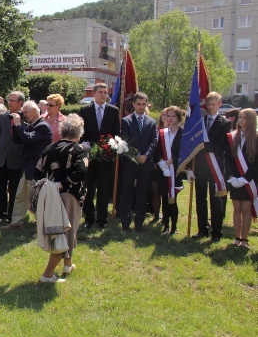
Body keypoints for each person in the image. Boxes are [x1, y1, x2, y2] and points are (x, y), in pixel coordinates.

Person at [34, 114, 88, 283]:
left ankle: (68, 264)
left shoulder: (49, 148)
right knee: (63, 234)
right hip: (69, 195)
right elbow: (81, 171)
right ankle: (48, 274)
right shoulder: (79, 149)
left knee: (61, 231)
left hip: (48, 196)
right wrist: (62, 184)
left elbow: (37, 172)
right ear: (78, 133)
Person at [78, 82, 120, 230]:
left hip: (105, 157)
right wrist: (85, 145)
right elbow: (80, 132)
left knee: (103, 189)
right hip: (89, 156)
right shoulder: (85, 110)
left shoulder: (113, 111)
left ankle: (102, 220)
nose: (103, 94)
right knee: (88, 189)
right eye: (100, 92)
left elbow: (116, 133)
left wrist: (111, 146)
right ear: (94, 94)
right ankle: (89, 218)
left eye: (105, 92)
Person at [6, 101, 53, 230]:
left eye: (25, 112)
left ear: (34, 111)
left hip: (37, 169)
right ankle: (16, 222)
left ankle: (42, 228)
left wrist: (18, 125)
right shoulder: (31, 125)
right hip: (27, 168)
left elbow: (29, 139)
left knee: (37, 199)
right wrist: (16, 126)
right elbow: (17, 140)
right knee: (20, 195)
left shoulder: (42, 126)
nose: (24, 115)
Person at [192, 92, 231, 242]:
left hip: (216, 167)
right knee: (200, 198)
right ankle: (202, 229)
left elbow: (220, 145)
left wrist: (202, 145)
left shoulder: (224, 123)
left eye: (213, 104)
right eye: (208, 104)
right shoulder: (200, 121)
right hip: (201, 166)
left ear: (219, 104)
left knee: (216, 200)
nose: (210, 107)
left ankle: (216, 232)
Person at [118, 92, 158, 233]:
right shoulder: (126, 121)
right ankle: (125, 224)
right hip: (130, 162)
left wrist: (145, 155)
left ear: (147, 104)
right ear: (133, 104)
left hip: (145, 163)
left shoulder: (152, 122)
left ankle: (139, 224)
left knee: (142, 194)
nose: (141, 107)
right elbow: (125, 140)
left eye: (144, 104)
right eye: (138, 104)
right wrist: (137, 155)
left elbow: (154, 141)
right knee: (126, 193)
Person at [0, 91, 25, 223]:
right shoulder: (2, 117)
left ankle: (12, 215)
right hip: (1, 158)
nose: (9, 102)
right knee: (0, 188)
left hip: (17, 159)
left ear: (20, 102)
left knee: (15, 189)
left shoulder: (25, 116)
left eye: (12, 100)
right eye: (8, 100)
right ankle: (0, 214)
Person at [225, 108, 257, 248]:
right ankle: (237, 237)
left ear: (250, 120)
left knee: (246, 209)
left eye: (244, 118)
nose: (240, 120)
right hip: (235, 179)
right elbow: (228, 159)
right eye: (240, 118)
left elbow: (256, 163)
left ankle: (244, 240)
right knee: (236, 208)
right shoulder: (233, 137)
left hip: (249, 180)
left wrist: (245, 179)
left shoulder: (256, 138)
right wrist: (232, 177)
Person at [154, 106, 184, 235]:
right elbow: (158, 151)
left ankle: (174, 227)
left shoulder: (183, 133)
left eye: (173, 116)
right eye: (168, 116)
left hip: (176, 170)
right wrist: (161, 161)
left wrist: (171, 161)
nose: (170, 119)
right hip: (163, 170)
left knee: (173, 199)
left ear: (178, 118)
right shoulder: (162, 133)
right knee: (165, 199)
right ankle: (165, 225)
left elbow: (184, 152)